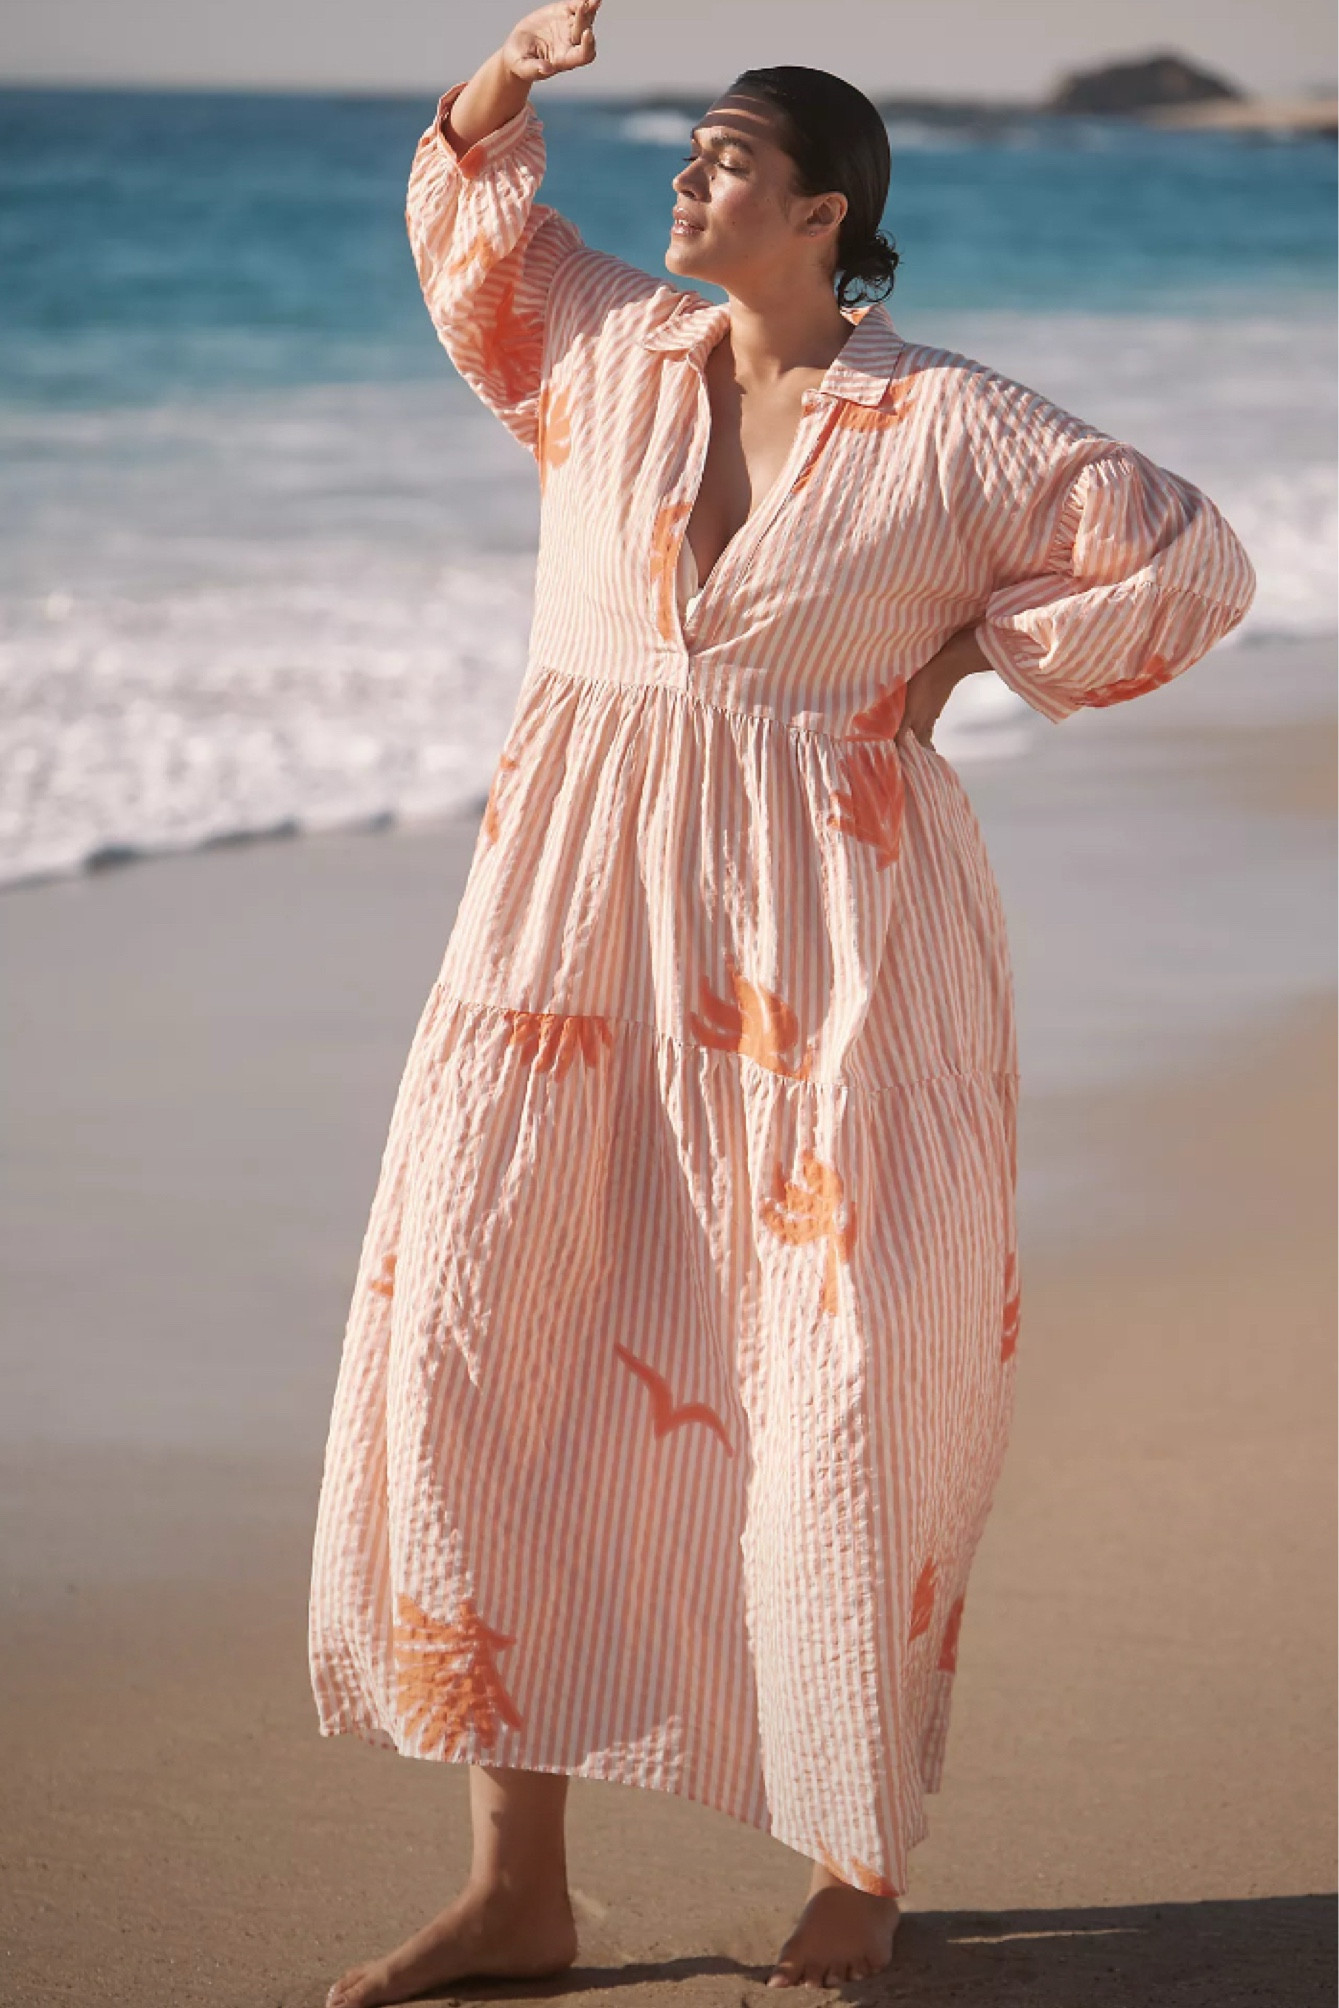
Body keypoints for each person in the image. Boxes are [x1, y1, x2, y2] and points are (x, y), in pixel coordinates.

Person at [308, 4, 1256, 2000]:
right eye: (691, 149)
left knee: (839, 1385)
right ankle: (517, 1885)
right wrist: (507, 68)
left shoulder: (948, 424)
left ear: (825, 214)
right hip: (556, 939)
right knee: (494, 1348)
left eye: (732, 158)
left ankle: (854, 1871)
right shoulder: (599, 351)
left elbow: (1184, 558)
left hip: (830, 957)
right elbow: (466, 227)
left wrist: (983, 656)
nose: (688, 175)